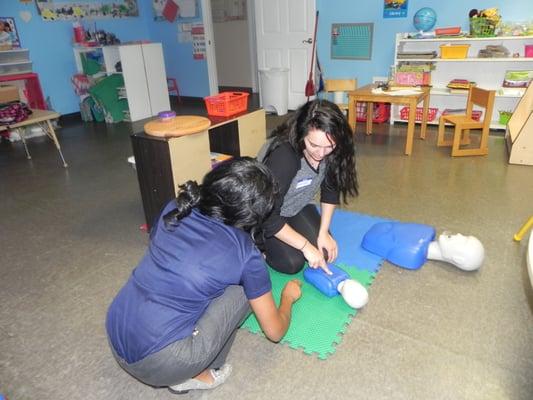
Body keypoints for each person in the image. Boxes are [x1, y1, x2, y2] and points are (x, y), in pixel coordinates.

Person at [105, 158, 302, 394]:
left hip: (116, 331)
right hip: (163, 363)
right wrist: (287, 298)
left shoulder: (175, 207)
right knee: (244, 290)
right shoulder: (247, 255)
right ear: (248, 217)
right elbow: (275, 332)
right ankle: (195, 373)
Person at [257, 99, 358, 275]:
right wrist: (304, 246)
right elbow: (268, 217)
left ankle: (293, 235)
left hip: (295, 207)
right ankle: (257, 249)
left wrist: (324, 232)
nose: (321, 153)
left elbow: (330, 190)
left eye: (329, 146)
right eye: (314, 145)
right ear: (301, 134)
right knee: (292, 263)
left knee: (324, 252)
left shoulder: (334, 149)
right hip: (263, 216)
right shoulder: (284, 157)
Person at [362, 222, 485, 271]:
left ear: (458, 259)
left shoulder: (413, 256)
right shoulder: (428, 231)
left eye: (463, 241)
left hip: (374, 238)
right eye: (465, 236)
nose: (459, 235)